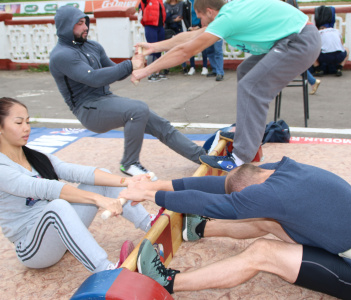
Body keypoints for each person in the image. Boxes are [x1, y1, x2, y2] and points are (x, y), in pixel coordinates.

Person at [119, 158, 351, 299]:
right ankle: (198, 229)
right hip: (349, 244)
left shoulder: (268, 196)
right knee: (268, 219)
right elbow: (219, 187)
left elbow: (211, 203)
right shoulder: (278, 170)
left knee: (263, 251)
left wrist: (148, 196)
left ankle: (167, 281)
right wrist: (154, 185)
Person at [131, 0, 321, 172]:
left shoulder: (228, 19)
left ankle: (239, 157)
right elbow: (189, 38)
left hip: (299, 41)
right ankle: (248, 135)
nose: (201, 23)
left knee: (252, 86)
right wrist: (154, 47)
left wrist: (146, 70)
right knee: (245, 71)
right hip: (292, 37)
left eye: (201, 18)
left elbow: (185, 51)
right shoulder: (229, 14)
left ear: (210, 11)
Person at [49, 5, 206, 179]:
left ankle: (201, 156)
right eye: (79, 23)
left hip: (105, 100)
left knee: (158, 123)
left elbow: (114, 72)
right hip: (87, 110)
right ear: (66, 26)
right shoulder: (61, 55)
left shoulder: (92, 46)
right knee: (137, 109)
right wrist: (129, 64)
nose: (86, 27)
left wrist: (136, 62)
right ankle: (129, 163)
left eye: (85, 21)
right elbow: (93, 78)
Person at [0, 97, 153, 273]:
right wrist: (99, 200)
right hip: (33, 248)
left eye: (27, 121)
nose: (26, 128)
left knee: (100, 177)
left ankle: (149, 223)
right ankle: (106, 270)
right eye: (18, 123)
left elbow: (74, 171)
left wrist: (128, 181)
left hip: (60, 234)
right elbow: (47, 189)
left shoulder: (34, 156)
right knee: (57, 205)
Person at [139, 0, 168, 82]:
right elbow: (140, 13)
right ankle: (150, 74)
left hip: (160, 26)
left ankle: (158, 72)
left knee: (159, 50)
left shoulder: (160, 1)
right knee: (152, 50)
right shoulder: (145, 1)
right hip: (150, 26)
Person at [164, 0, 189, 74]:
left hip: (178, 27)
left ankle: (184, 66)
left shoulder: (181, 3)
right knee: (167, 48)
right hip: (168, 27)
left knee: (181, 47)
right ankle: (167, 67)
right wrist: (174, 19)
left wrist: (171, 18)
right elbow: (165, 17)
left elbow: (180, 15)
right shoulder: (165, 4)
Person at [187, 0, 209, 76]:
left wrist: (199, 26)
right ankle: (192, 67)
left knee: (203, 47)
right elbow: (185, 16)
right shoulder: (187, 2)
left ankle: (205, 67)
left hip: (200, 26)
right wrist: (189, 27)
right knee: (191, 47)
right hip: (190, 28)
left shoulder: (201, 2)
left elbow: (204, 15)